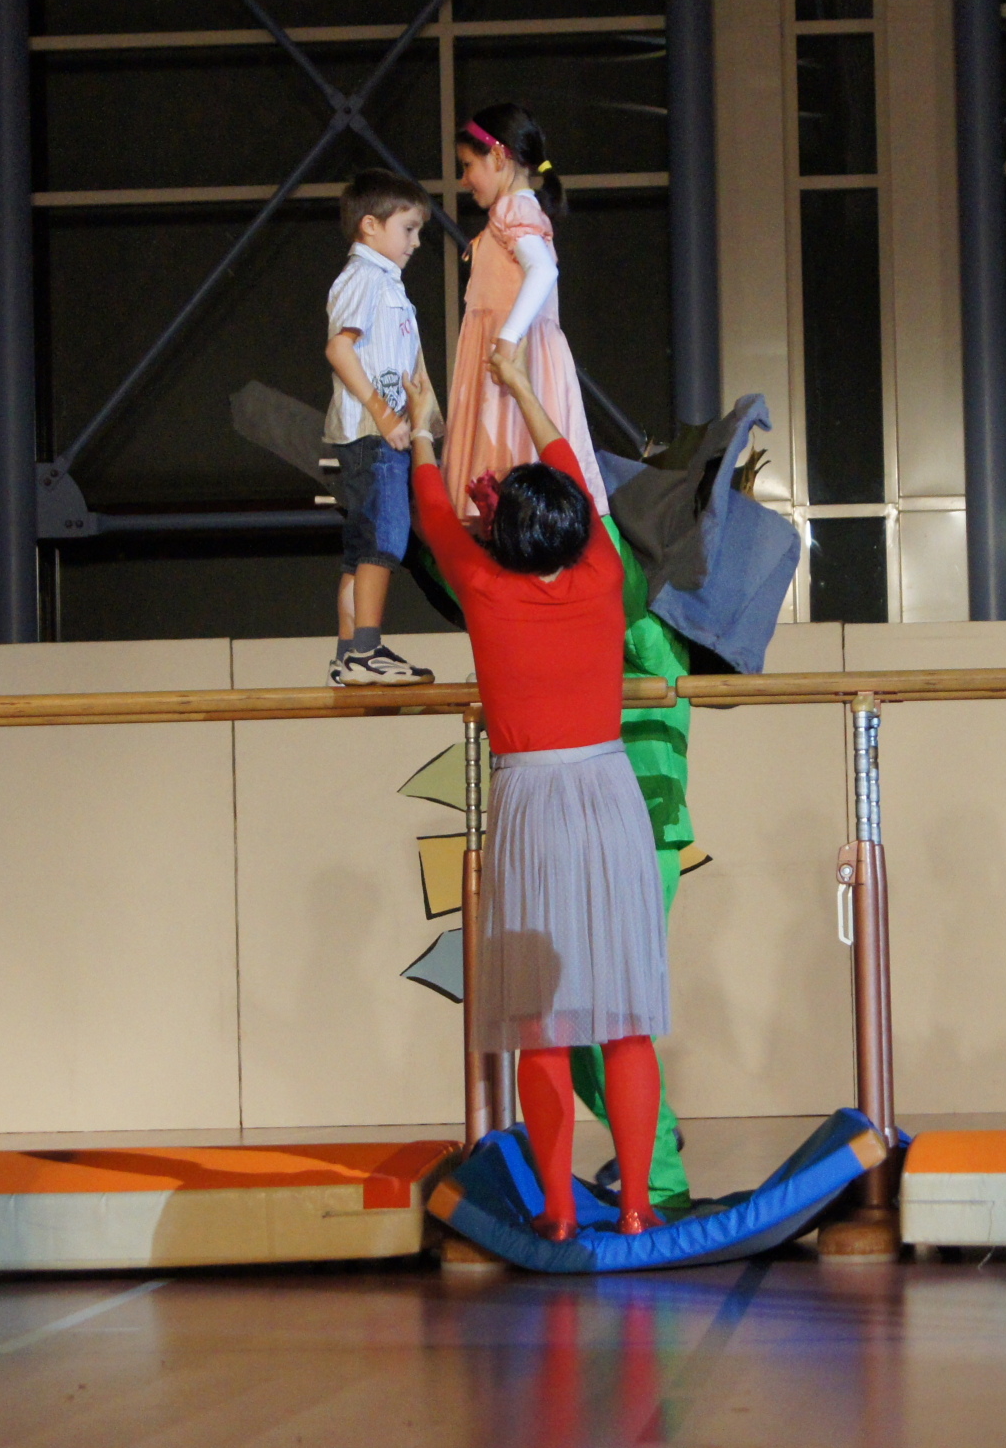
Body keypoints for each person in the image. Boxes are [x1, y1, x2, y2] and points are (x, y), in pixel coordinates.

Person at [410, 344, 668, 1240]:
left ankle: (559, 1211)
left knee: (544, 1024)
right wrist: (521, 383)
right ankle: (635, 1205)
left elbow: (433, 512)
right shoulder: (601, 573)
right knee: (626, 1018)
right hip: (610, 792)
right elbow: (575, 476)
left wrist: (421, 430)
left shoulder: (484, 588)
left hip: (531, 804)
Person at [441, 102, 608, 521]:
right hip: (516, 361)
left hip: (517, 365)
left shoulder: (512, 209)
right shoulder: (513, 212)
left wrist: (507, 337)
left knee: (513, 476)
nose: (464, 179)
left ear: (498, 156)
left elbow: (543, 270)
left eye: (468, 165)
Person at [323, 168, 437, 686]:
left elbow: (408, 364)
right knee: (383, 540)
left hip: (384, 432)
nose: (415, 242)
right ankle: (366, 650)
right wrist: (385, 413)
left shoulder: (387, 282)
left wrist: (425, 421)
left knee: (364, 544)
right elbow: (339, 349)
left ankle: (348, 652)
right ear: (370, 225)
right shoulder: (363, 277)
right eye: (408, 229)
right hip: (373, 434)